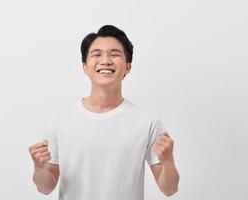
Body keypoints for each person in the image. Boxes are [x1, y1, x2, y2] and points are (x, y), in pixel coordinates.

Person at [28, 25, 179, 200]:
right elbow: (45, 187)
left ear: (128, 67)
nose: (106, 60)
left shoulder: (147, 122)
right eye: (97, 54)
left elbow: (170, 189)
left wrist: (168, 161)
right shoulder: (59, 120)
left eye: (114, 54)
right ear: (85, 67)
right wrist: (38, 168)